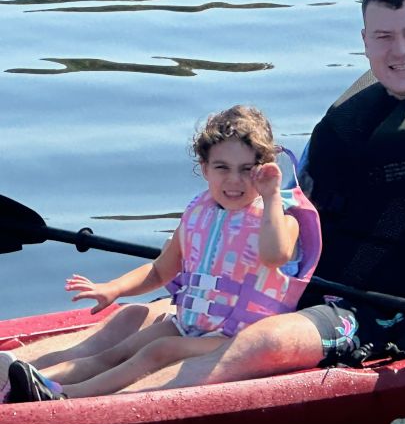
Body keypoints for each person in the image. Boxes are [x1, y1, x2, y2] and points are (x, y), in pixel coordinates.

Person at [3, 0, 405, 396]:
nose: (399, 50)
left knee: (265, 339)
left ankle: (71, 412)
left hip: (393, 315)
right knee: (143, 316)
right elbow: (279, 215)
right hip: (292, 290)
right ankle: (15, 371)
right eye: (383, 36)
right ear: (365, 40)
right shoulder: (345, 126)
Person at [2, 105, 321, 402]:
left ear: (264, 171)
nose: (234, 180)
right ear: (204, 168)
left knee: (159, 349)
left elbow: (275, 256)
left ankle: (65, 396)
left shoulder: (281, 219)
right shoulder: (199, 215)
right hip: (189, 323)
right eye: (222, 167)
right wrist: (113, 289)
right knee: (119, 350)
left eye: (247, 170)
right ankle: (29, 382)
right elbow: (159, 272)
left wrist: (271, 196)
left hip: (237, 337)